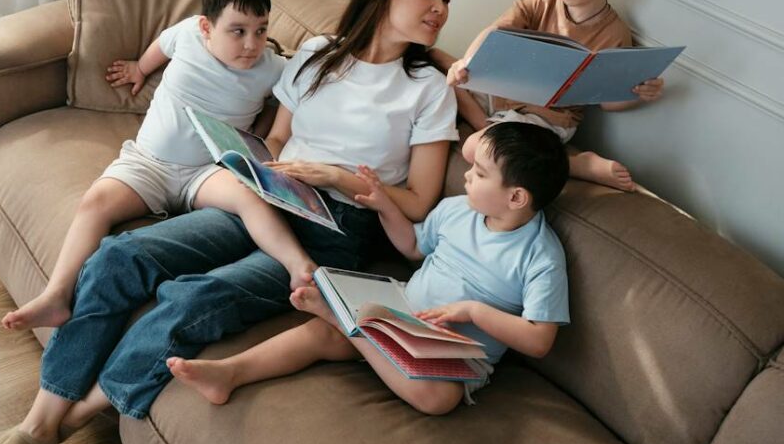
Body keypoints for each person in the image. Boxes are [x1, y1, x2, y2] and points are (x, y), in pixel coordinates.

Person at [0, 0, 460, 444]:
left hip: (340, 228)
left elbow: (417, 201)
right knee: (120, 256)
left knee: (195, 299)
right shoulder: (318, 54)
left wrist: (342, 179)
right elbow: (274, 138)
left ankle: (64, 424)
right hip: (273, 197)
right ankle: (40, 421)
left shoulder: (428, 90)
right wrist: (258, 168)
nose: (440, 7)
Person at [168, 121, 570, 415]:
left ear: (516, 196)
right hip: (402, 310)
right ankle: (229, 372)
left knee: (439, 400)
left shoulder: (541, 257)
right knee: (316, 334)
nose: (466, 175)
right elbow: (412, 247)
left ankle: (350, 325)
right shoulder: (457, 211)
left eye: (480, 173)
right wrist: (384, 206)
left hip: (452, 355)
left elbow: (539, 341)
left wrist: (474, 312)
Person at [1, 0, 315, 332]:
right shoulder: (187, 35)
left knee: (249, 196)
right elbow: (162, 46)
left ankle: (299, 266)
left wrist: (267, 135)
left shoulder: (272, 69)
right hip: (148, 163)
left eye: (261, 30)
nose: (251, 44)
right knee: (95, 202)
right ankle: (56, 296)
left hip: (207, 171)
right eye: (238, 31)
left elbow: (300, 89)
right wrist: (139, 68)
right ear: (206, 27)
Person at [443, 0, 662, 192]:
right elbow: (495, 32)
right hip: (503, 96)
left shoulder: (614, 32)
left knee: (474, 149)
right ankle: (487, 122)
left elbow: (608, 101)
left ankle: (575, 164)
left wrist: (638, 91)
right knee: (439, 78)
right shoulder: (540, 0)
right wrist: (467, 61)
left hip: (546, 119)